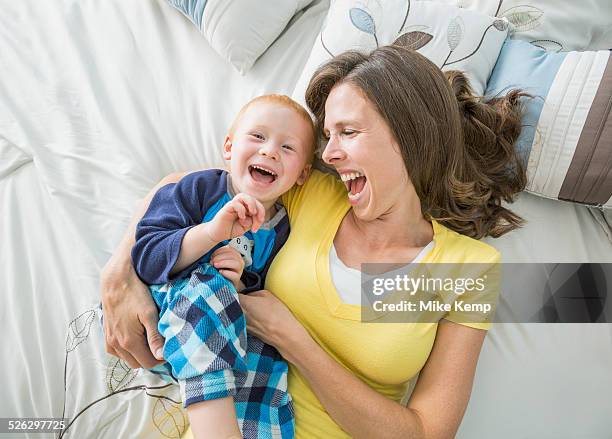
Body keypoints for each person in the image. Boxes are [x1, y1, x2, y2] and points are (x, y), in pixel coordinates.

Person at [101, 46, 527, 438]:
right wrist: (119, 277)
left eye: (347, 132)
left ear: (409, 134)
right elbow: (186, 188)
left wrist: (291, 337)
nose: (328, 154)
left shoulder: (468, 267)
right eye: (328, 136)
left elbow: (426, 433)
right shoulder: (311, 197)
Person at [127, 94, 315, 439]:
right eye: (257, 137)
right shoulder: (199, 188)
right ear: (229, 147)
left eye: (287, 148)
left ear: (302, 174)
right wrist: (211, 234)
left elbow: (258, 290)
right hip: (169, 316)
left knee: (267, 357)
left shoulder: (281, 229)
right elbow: (147, 257)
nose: (270, 151)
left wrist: (242, 283)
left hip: (225, 337)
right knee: (207, 287)